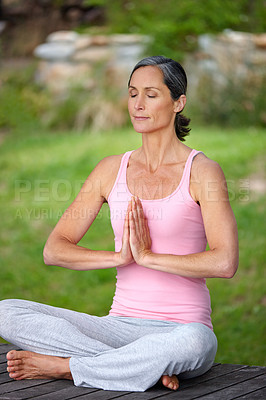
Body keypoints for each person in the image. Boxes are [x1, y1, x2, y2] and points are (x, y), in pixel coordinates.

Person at [0, 56, 239, 392]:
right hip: (117, 329)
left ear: (178, 102)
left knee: (196, 343)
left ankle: (69, 367)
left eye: (151, 95)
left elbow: (225, 262)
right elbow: (55, 249)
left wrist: (148, 257)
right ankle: (140, 367)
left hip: (181, 329)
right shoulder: (111, 170)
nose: (138, 105)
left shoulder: (202, 171)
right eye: (132, 94)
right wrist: (118, 258)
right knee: (6, 312)